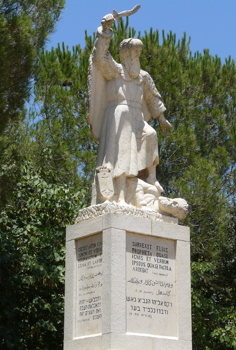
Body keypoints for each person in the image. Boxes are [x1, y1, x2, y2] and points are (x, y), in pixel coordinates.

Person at [88, 14, 171, 207]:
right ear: (124, 56)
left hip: (137, 118)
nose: (135, 58)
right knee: (120, 156)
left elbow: (152, 97)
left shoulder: (142, 76)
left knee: (150, 134)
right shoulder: (115, 71)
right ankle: (119, 196)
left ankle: (151, 178)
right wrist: (105, 32)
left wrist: (161, 118)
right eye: (131, 55)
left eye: (137, 55)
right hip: (119, 117)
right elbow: (99, 56)